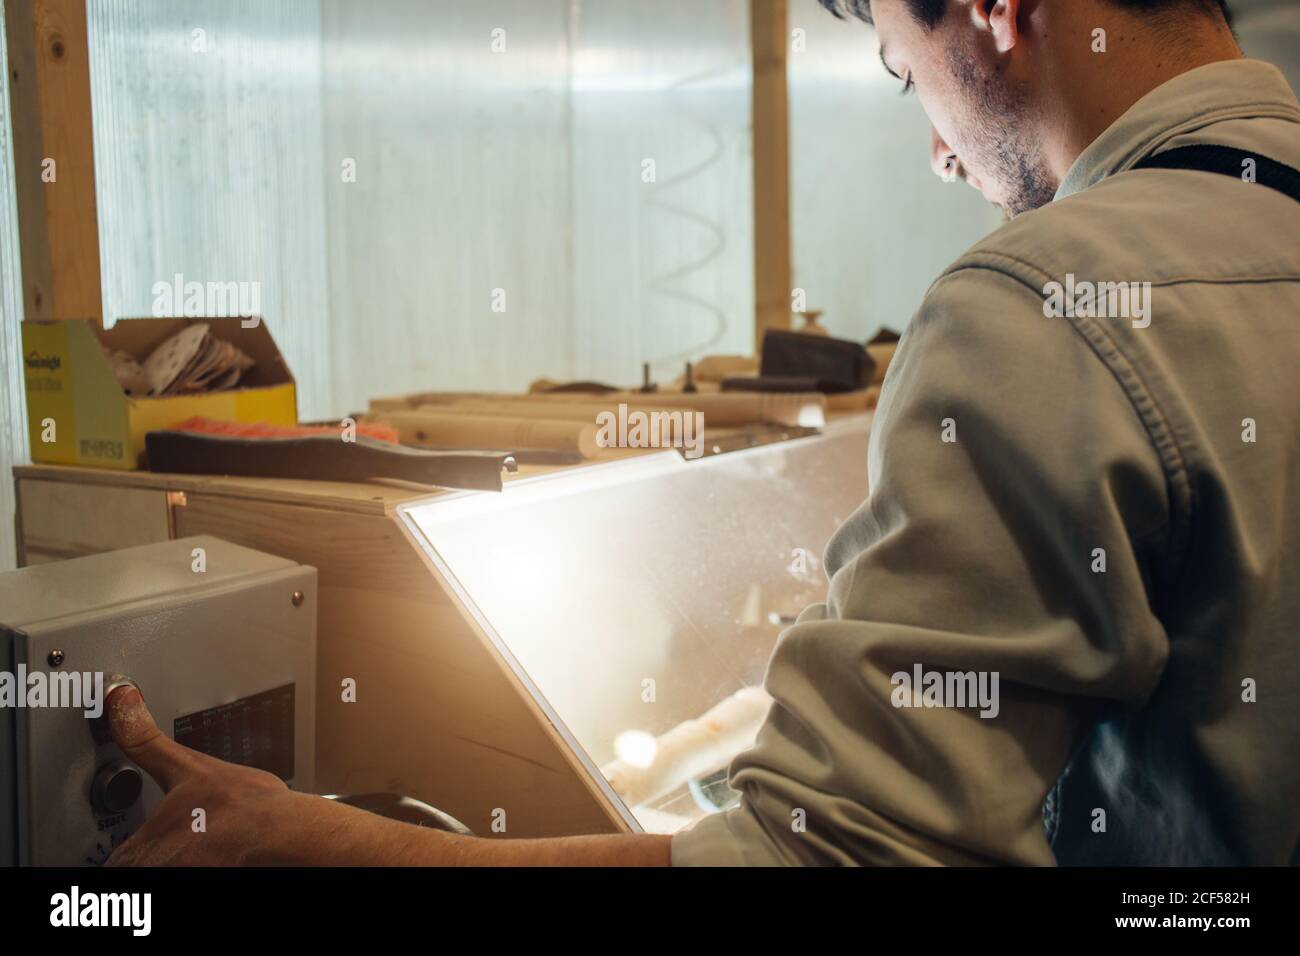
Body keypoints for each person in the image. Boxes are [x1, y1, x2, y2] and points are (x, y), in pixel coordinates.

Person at [105, 0, 1299, 866]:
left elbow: (830, 859)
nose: (936, 149)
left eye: (903, 71)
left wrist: (323, 844)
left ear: (991, 10)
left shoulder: (1045, 299)